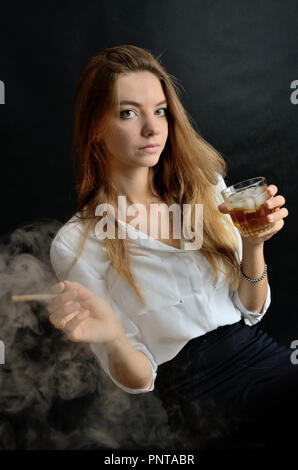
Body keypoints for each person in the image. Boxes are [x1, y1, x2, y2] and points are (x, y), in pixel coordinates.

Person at [47, 45, 293, 449]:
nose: (152, 128)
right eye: (129, 113)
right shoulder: (76, 244)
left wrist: (252, 246)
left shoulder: (205, 187)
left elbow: (251, 309)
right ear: (95, 127)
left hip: (268, 363)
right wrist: (110, 334)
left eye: (160, 110)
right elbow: (140, 379)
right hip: (200, 405)